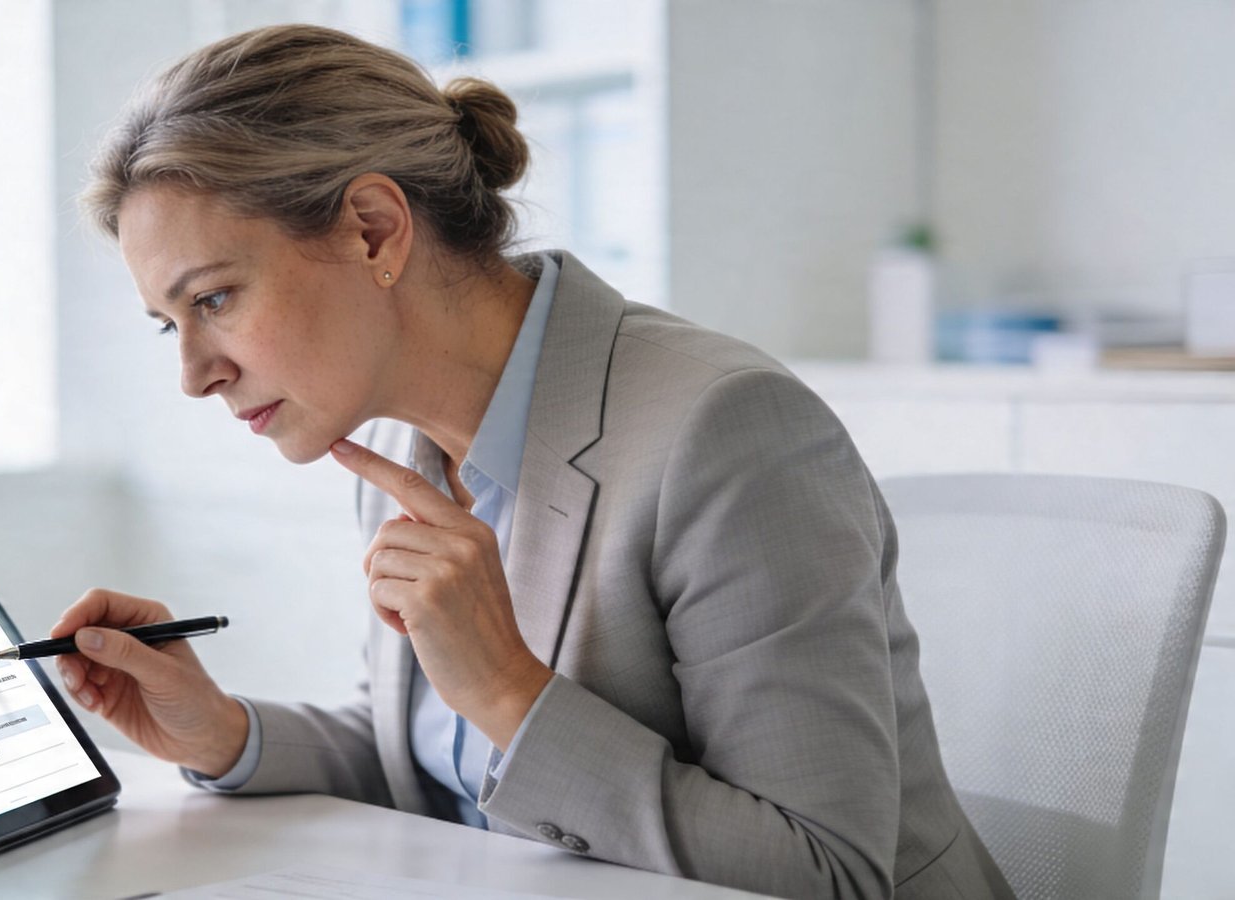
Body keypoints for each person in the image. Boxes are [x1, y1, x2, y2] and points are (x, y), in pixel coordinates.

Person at [51, 23, 1013, 900]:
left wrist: (509, 687)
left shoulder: (725, 431)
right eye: (167, 323)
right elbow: (437, 759)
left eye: (213, 298)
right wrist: (224, 732)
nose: (193, 374)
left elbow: (828, 872)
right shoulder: (390, 437)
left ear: (373, 229)